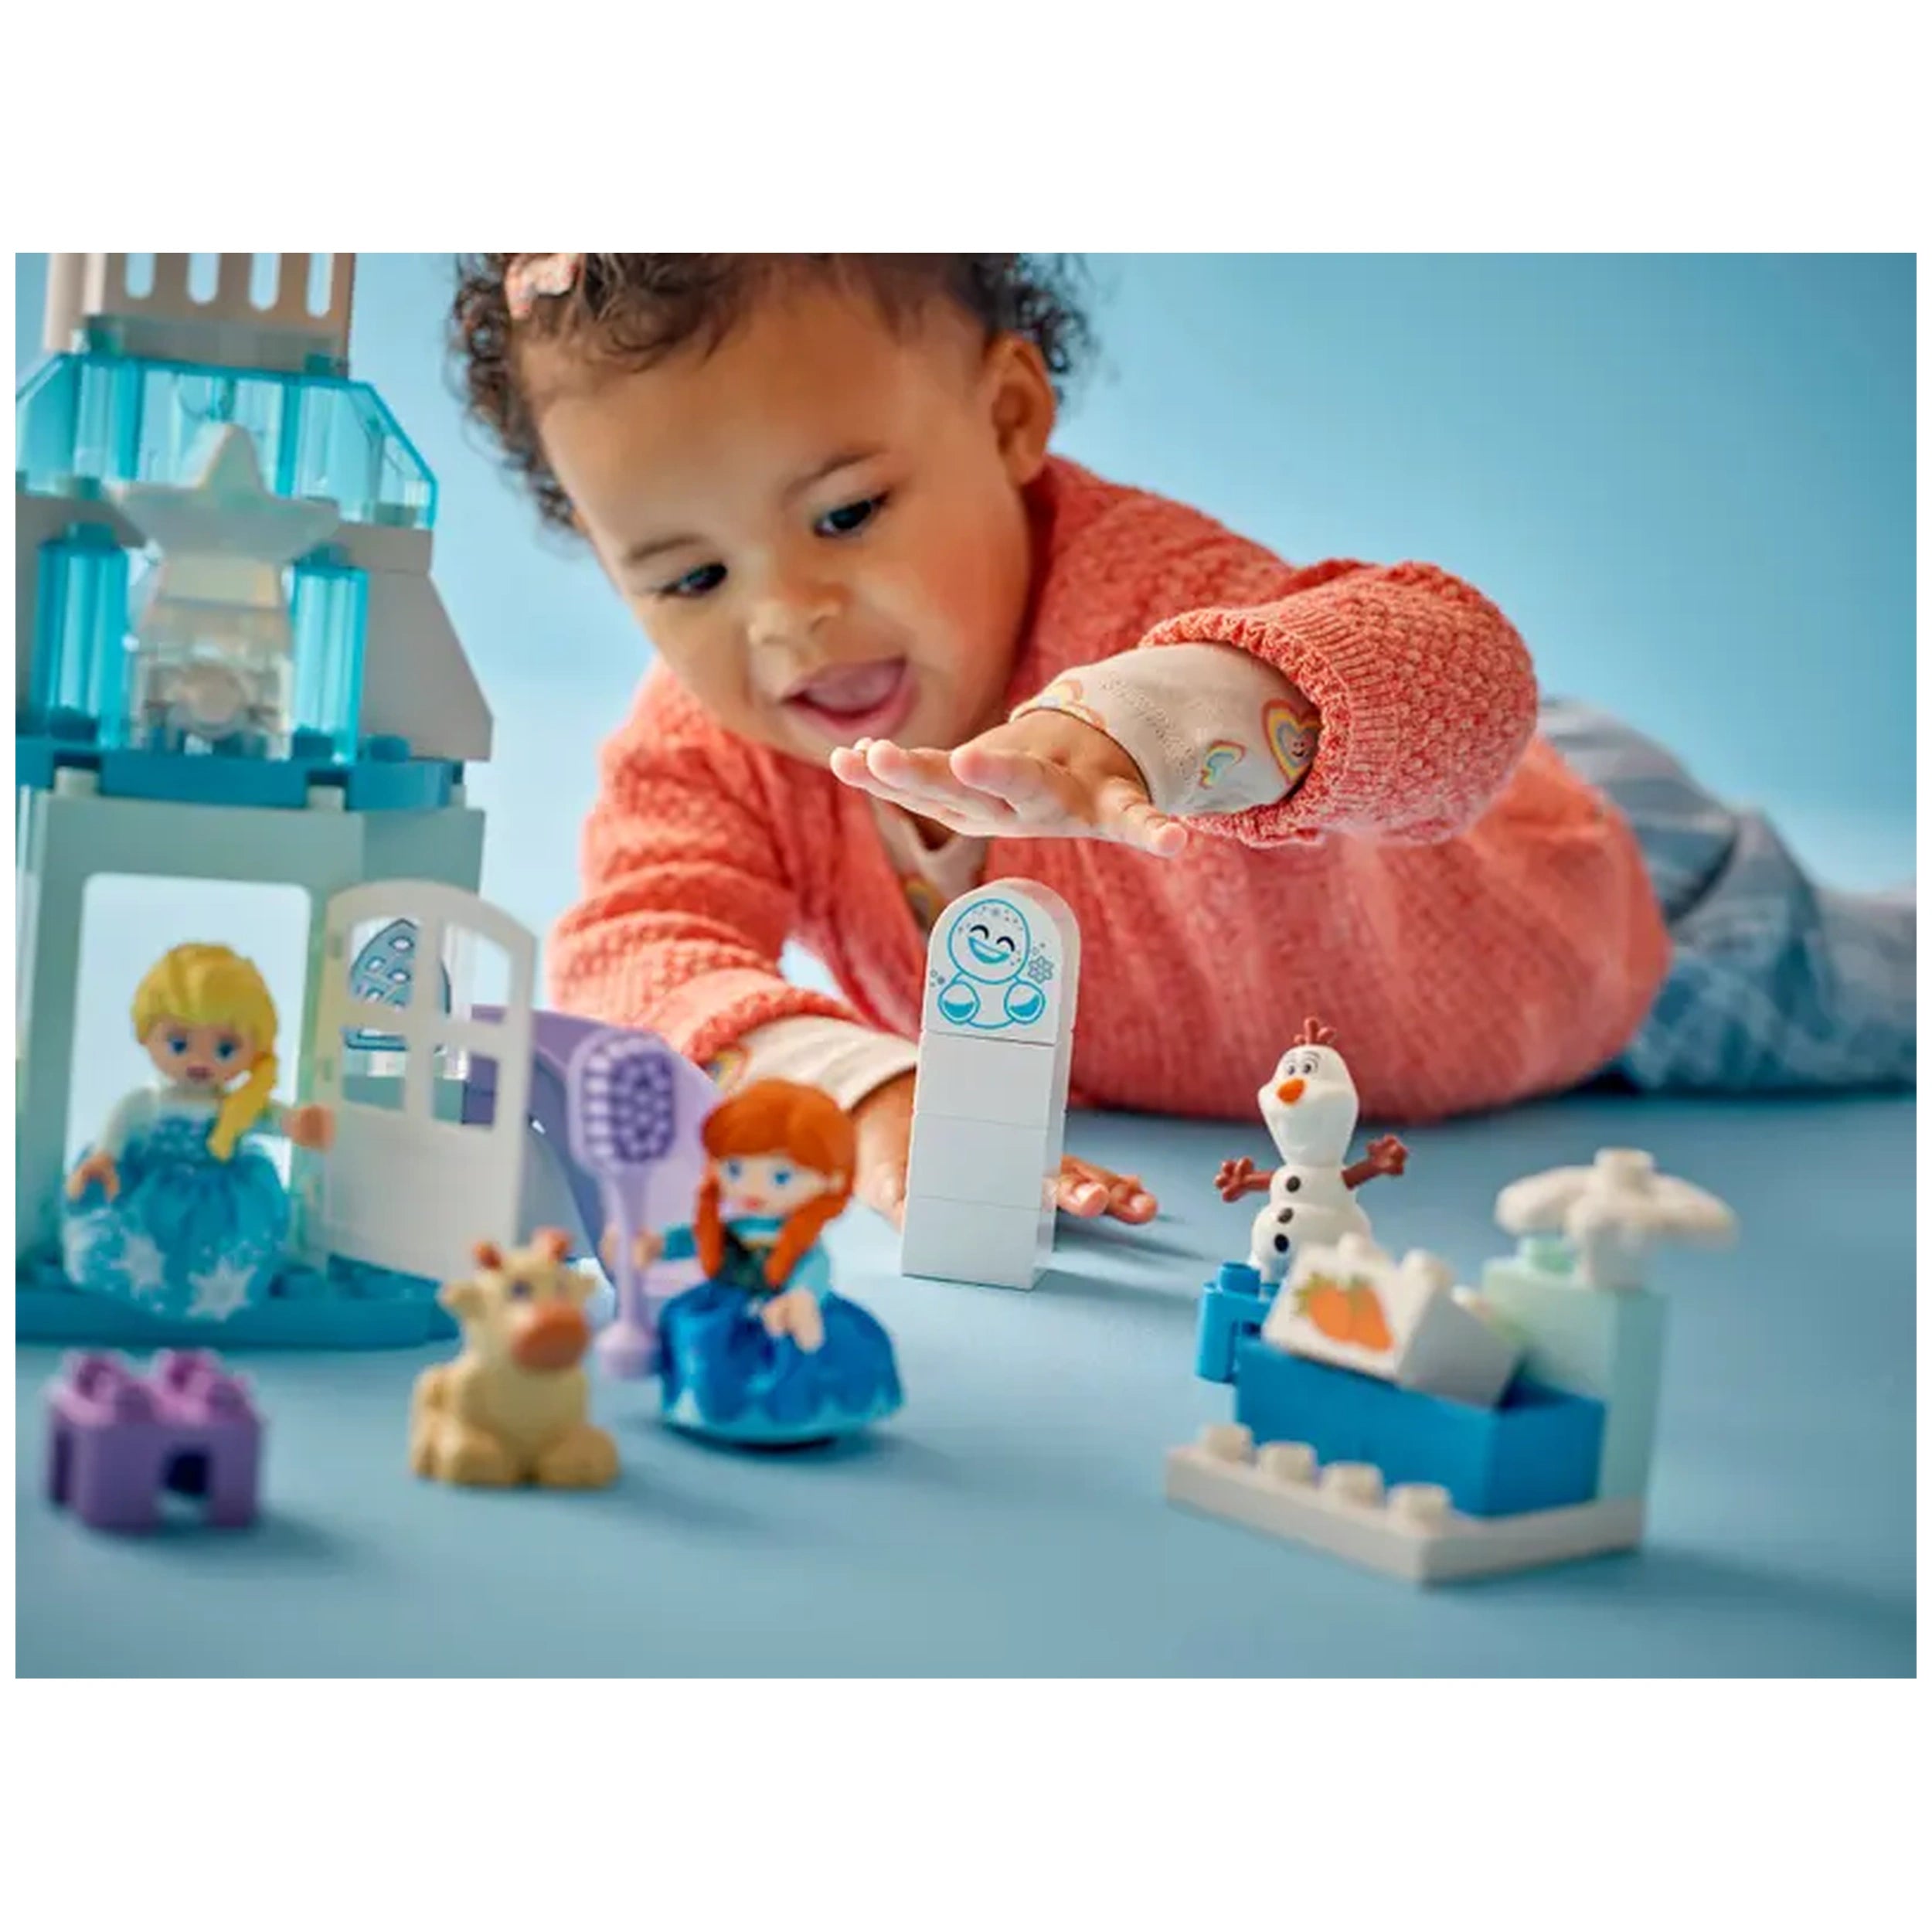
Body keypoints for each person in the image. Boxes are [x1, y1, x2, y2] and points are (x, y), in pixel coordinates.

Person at [451, 253, 1913, 1229]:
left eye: (844, 514)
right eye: (689, 578)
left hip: (1588, 905)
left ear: (1011, 413)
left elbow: (1463, 680)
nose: (788, 621)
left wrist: (1178, 719)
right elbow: (633, 951)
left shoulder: (1155, 608)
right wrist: (871, 1090)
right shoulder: (718, 744)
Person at [63, 942, 335, 1318]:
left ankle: (208, 1300)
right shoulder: (149, 1102)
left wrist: (298, 1124)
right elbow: (119, 1126)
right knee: (143, 1239)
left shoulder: (235, 1108)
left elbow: (273, 1119)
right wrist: (105, 1157)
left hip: (216, 1196)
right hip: (154, 1186)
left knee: (215, 1250)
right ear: (147, 1036)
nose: (200, 1061)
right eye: (179, 1043)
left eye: (224, 1048)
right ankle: (144, 1294)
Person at [635, 1079, 902, 1445]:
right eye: (734, 1170)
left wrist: (802, 1298)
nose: (753, 1188)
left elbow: (813, 1271)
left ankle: (786, 1416)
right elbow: (687, 1240)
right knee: (694, 1333)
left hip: (785, 1308)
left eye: (780, 1176)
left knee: (793, 1349)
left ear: (832, 1180)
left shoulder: (800, 1242)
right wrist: (655, 1245)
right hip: (724, 1305)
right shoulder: (728, 1227)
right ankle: (702, 1404)